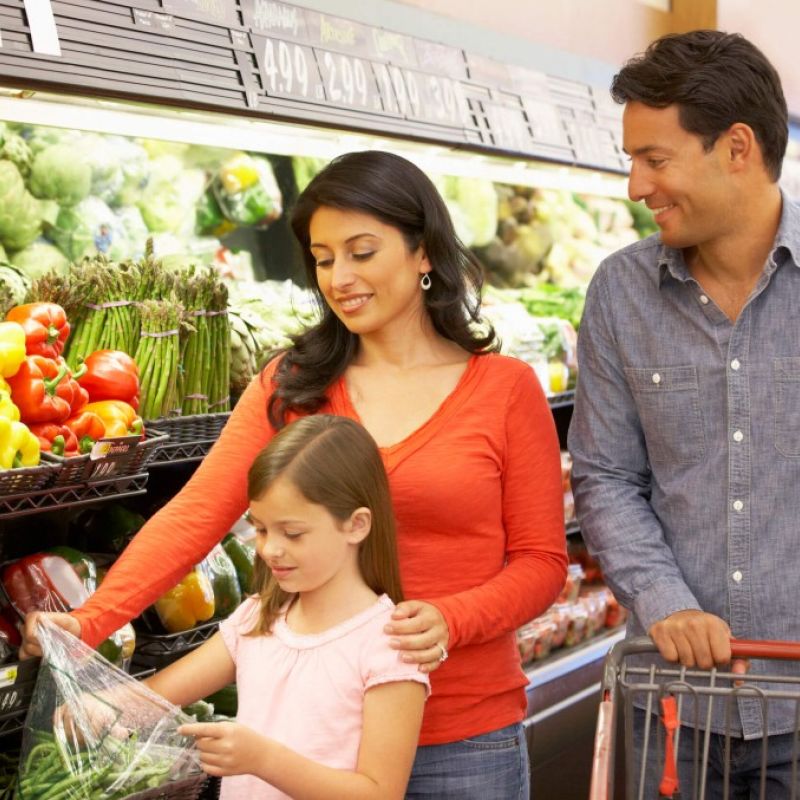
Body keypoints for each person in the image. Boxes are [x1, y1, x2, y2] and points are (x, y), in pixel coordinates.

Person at [23, 150, 567, 799]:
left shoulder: (505, 390)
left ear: (424, 252)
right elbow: (197, 516)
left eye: (362, 252)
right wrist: (90, 621)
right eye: (324, 257)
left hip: (462, 741)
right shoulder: (292, 385)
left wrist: (453, 619)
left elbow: (541, 563)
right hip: (310, 745)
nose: (340, 277)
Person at [568, 29, 799, 797]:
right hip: (671, 706)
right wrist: (664, 601)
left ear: (737, 147)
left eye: (655, 159)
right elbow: (603, 476)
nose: (636, 185)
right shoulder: (620, 293)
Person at [144, 415, 429, 799]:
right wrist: (101, 706)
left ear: (357, 525)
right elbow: (155, 696)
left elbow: (379, 793)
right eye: (260, 529)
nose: (268, 550)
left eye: (292, 533)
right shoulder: (258, 618)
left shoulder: (389, 645)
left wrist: (262, 759)